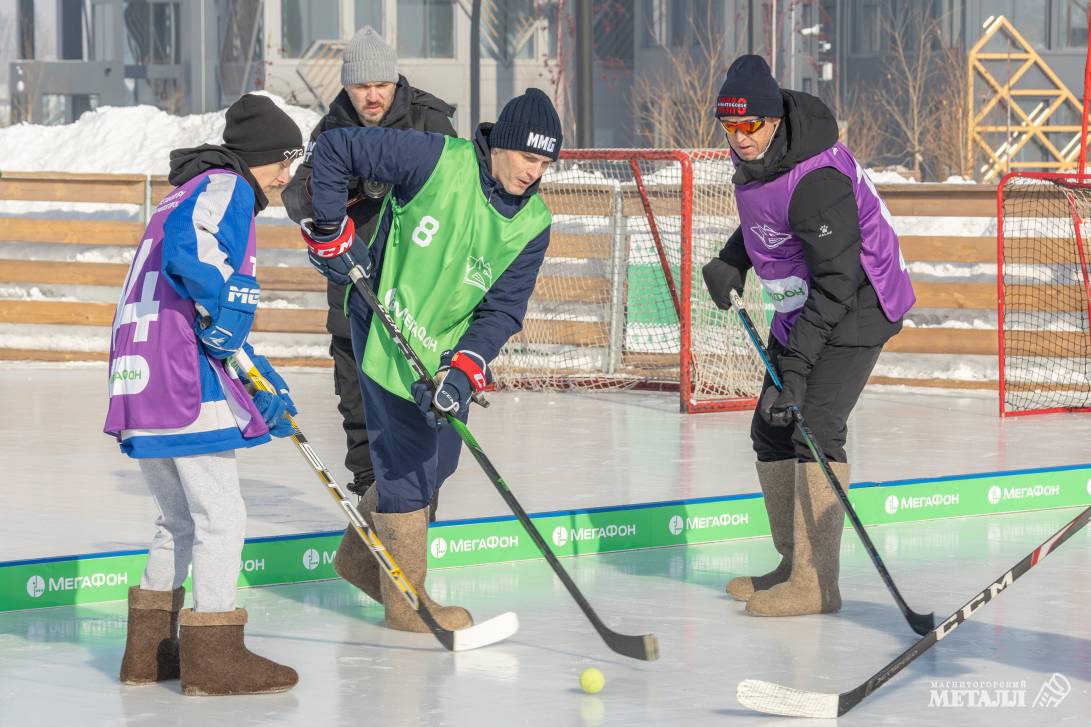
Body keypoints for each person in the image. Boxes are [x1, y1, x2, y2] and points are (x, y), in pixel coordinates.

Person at [300, 87, 561, 632]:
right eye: (528, 158)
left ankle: (356, 558)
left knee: (441, 459)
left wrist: (464, 369)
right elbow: (333, 151)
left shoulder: (533, 224)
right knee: (408, 467)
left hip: (440, 351)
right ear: (502, 146)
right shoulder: (436, 157)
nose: (534, 173)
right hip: (382, 322)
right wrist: (329, 228)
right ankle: (407, 602)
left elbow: (503, 311)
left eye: (545, 163)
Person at [104, 94, 303, 695]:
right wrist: (232, 301)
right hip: (177, 372)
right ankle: (214, 657)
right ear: (262, 156)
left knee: (178, 518)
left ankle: (149, 654)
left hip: (138, 372)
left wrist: (253, 369)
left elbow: (196, 306)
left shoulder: (181, 192)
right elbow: (200, 261)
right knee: (221, 515)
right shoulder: (227, 185)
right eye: (284, 161)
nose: (286, 175)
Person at [702, 56, 915, 617]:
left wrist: (796, 368)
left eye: (750, 126)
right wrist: (734, 258)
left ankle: (818, 583)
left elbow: (838, 279)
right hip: (805, 299)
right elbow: (770, 217)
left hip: (859, 301)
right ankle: (793, 562)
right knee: (770, 428)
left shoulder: (818, 177)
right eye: (730, 127)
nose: (740, 138)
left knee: (814, 427)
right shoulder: (761, 155)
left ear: (773, 120)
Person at [282, 26, 456, 520]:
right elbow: (297, 197)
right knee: (360, 416)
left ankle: (417, 523)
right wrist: (346, 186)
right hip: (353, 298)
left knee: (420, 417)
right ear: (348, 86)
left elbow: (456, 192)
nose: (373, 95)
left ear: (395, 81)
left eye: (382, 84)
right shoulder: (330, 127)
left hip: (417, 301)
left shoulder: (429, 118)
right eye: (362, 87)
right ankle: (373, 513)